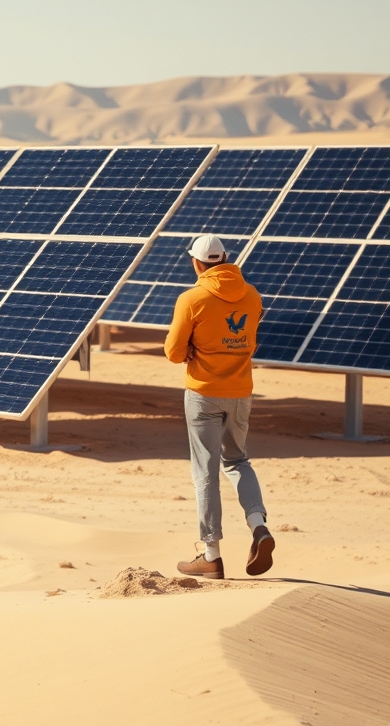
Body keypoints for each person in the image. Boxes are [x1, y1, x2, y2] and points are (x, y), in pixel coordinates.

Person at [164, 234, 273, 580]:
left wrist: (196, 351)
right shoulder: (252, 295)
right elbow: (250, 341)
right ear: (225, 259)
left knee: (205, 473)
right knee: (238, 461)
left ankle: (210, 555)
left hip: (203, 393)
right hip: (240, 392)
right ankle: (259, 527)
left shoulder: (191, 298)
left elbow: (173, 351)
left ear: (196, 264)